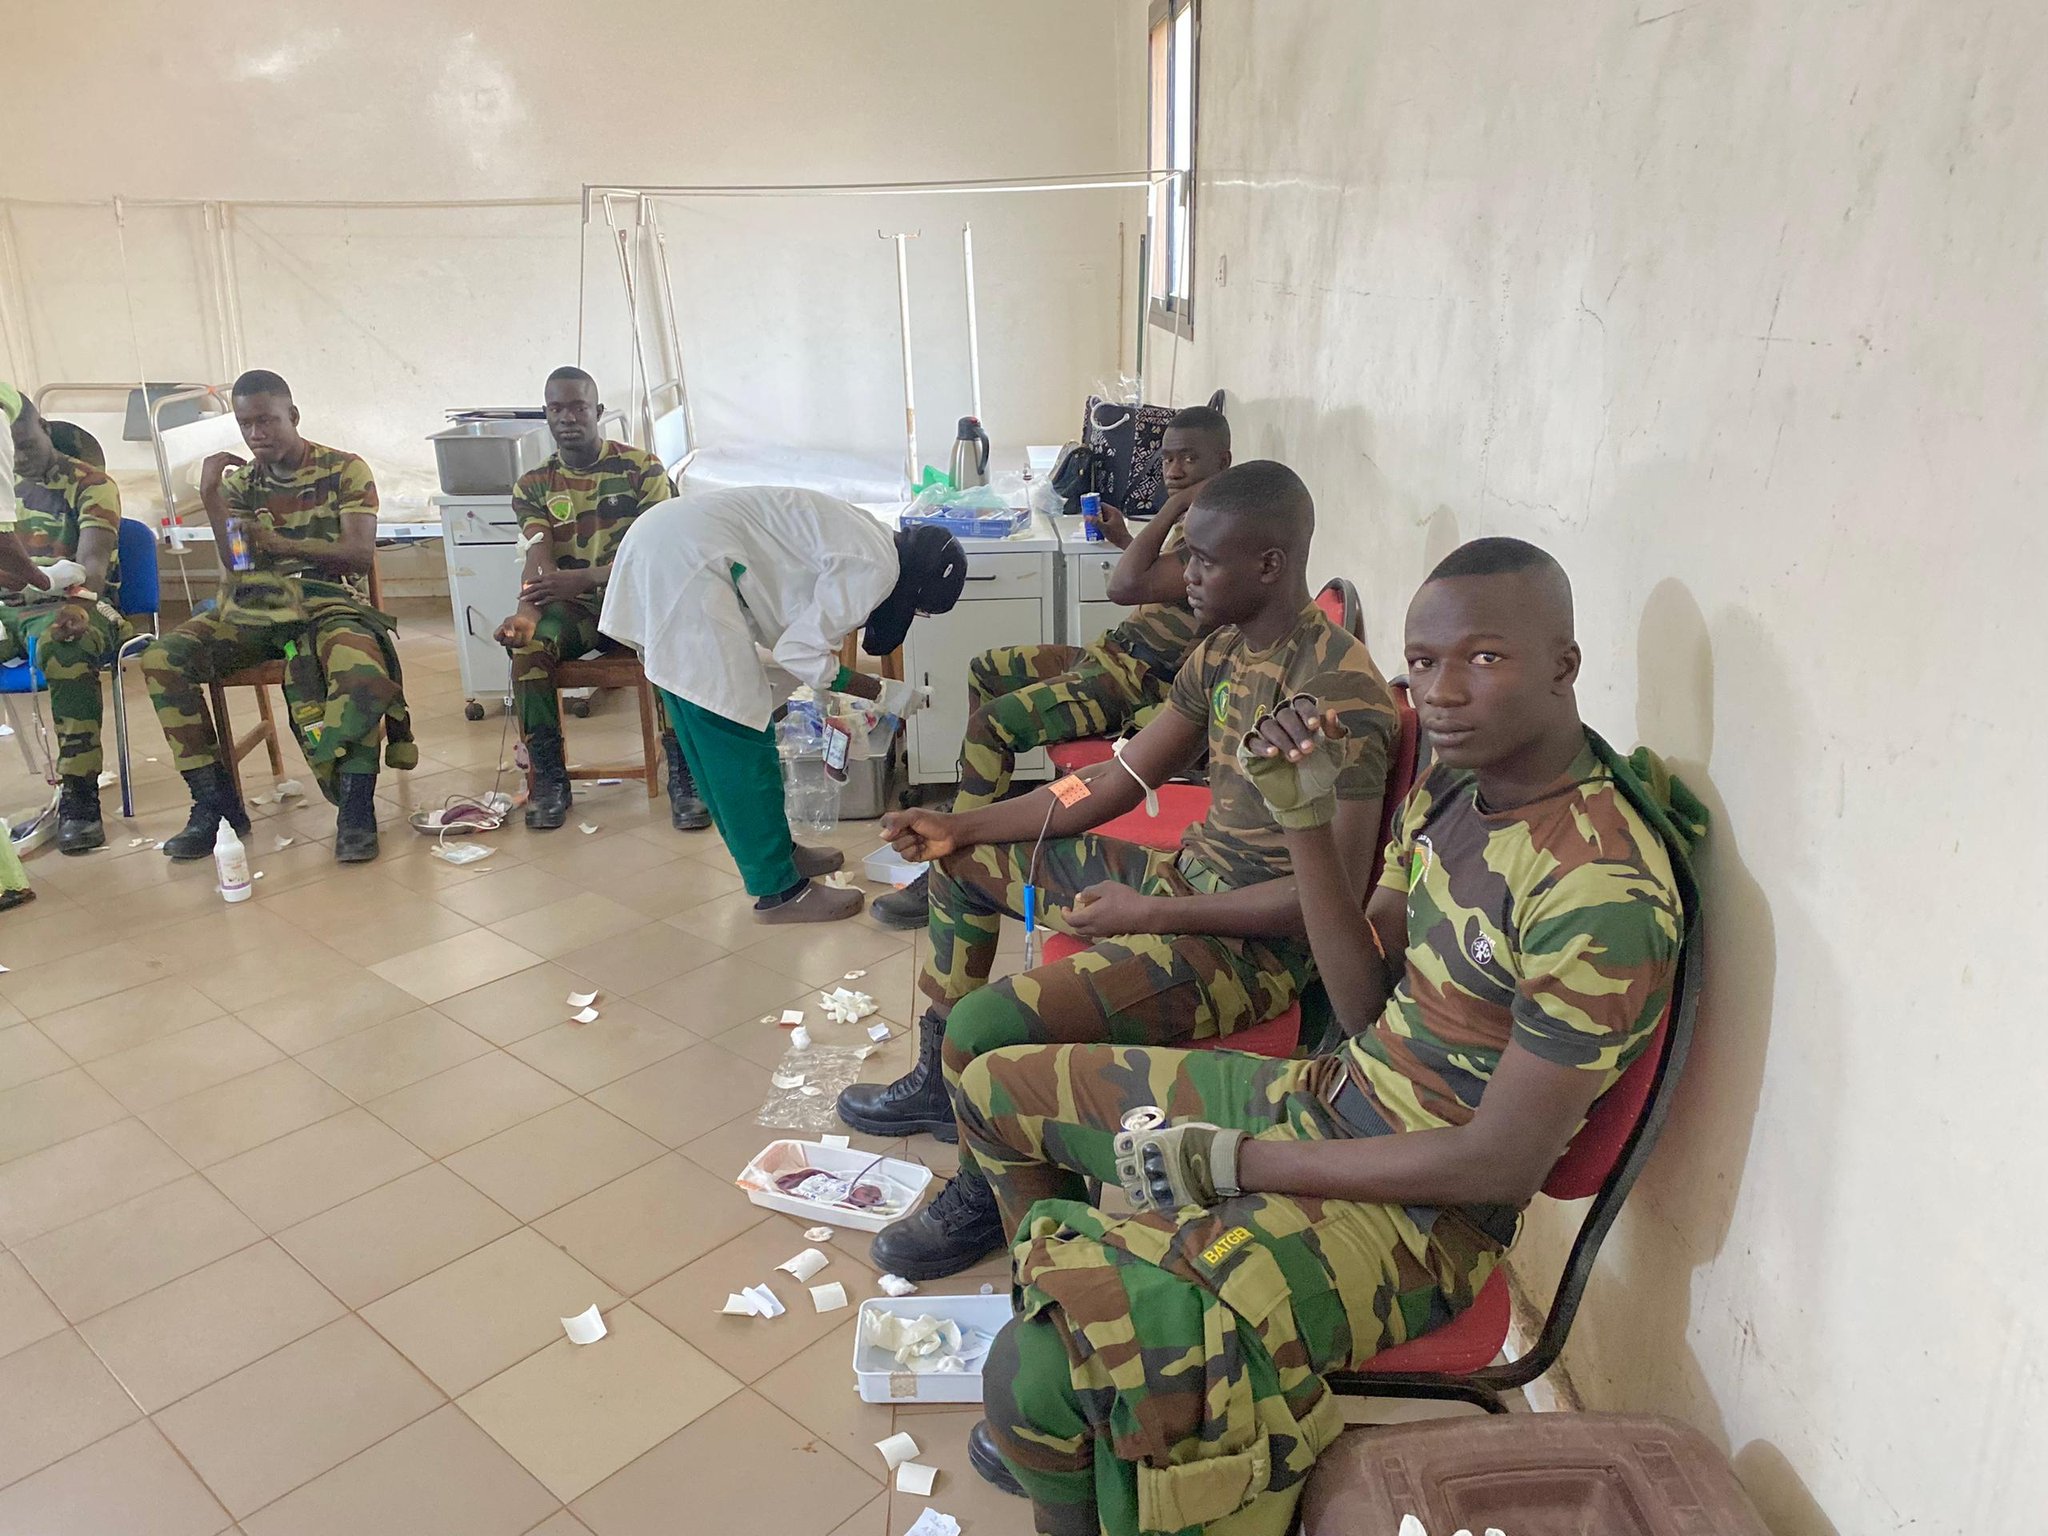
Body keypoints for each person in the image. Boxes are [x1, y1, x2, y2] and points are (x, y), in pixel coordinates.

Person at [954, 538, 1705, 1536]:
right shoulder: (1450, 791)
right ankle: (1094, 1398)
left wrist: (1235, 1161)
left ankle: (1081, 1390)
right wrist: (1305, 822)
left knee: (1031, 1370)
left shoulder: (1598, 887)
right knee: (993, 1086)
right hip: (1336, 1096)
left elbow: (1493, 1166)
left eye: (1484, 658)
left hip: (1422, 1222)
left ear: (1563, 666)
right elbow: (1358, 1005)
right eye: (1424, 661)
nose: (1440, 692)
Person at [839, 461, 1400, 1280]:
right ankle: (955, 1102)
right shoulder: (1221, 655)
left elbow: (1330, 909)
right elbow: (1112, 780)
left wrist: (1152, 914)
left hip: (1251, 950)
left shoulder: (1338, 698)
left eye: (1205, 560)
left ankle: (1026, 1226)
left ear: (1271, 565)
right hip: (1181, 888)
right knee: (962, 863)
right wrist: (960, 823)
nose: (1185, 574)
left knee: (985, 1029)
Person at [873, 405, 1233, 928]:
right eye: (1167, 459)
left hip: (1137, 680)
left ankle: (957, 843)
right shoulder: (1196, 520)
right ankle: (992, 799)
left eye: (1189, 459)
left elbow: (1126, 586)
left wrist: (1172, 506)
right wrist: (1126, 540)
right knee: (985, 669)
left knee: (989, 725)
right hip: (1113, 654)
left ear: (1223, 460)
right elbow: (1160, 587)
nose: (1175, 469)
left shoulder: (1217, 529)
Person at [600, 485, 967, 924]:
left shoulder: (873, 539)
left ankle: (778, 853)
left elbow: (794, 627)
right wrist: (885, 693)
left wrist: (832, 682)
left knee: (711, 729)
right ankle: (779, 890)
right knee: (734, 734)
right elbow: (798, 652)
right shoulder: (877, 569)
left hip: (669, 545)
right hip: (686, 565)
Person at [140, 370, 414, 863]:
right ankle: (215, 807)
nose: (255, 434)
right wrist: (211, 499)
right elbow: (240, 565)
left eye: (265, 420)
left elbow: (356, 555)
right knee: (163, 658)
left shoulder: (344, 470)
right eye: (245, 425)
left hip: (329, 601)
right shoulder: (243, 484)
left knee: (359, 668)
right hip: (259, 606)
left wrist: (281, 543)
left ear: (293, 416)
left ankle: (355, 808)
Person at [491, 366, 708, 833]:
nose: (568, 418)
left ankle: (685, 777)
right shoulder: (534, 485)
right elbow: (538, 559)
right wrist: (525, 615)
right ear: (546, 414)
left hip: (641, 599)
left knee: (669, 642)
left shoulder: (641, 470)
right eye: (556, 408)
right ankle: (549, 780)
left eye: (578, 407)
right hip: (578, 611)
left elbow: (660, 555)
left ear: (598, 412)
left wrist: (584, 578)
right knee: (529, 650)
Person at [3, 397, 127, 853]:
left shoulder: (89, 484)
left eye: (25, 441)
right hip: (7, 607)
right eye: (7, 447)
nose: (18, 456)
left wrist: (69, 596)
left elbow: (91, 565)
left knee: (66, 645)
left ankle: (79, 796)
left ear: (45, 426)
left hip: (74, 602)